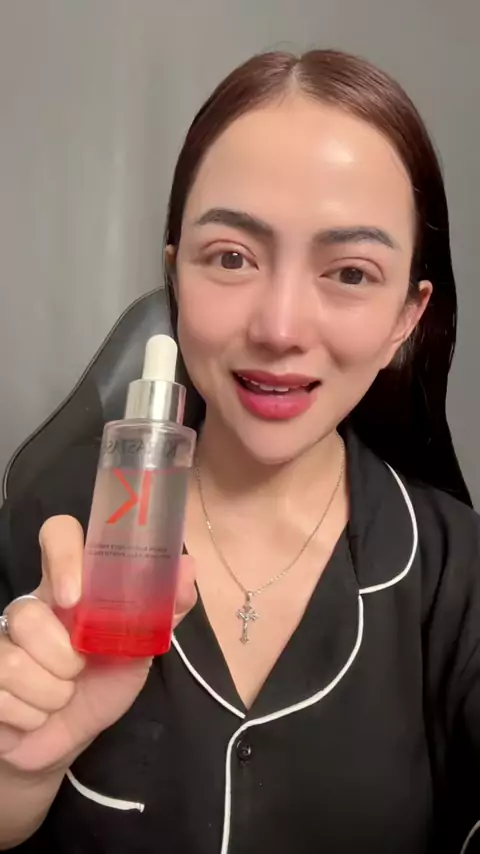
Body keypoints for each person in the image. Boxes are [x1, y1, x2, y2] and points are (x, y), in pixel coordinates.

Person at [0, 46, 478, 854]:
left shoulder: (458, 577)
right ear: (176, 275)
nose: (280, 328)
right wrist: (20, 775)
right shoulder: (52, 530)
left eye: (351, 273)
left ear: (407, 316)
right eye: (231, 258)